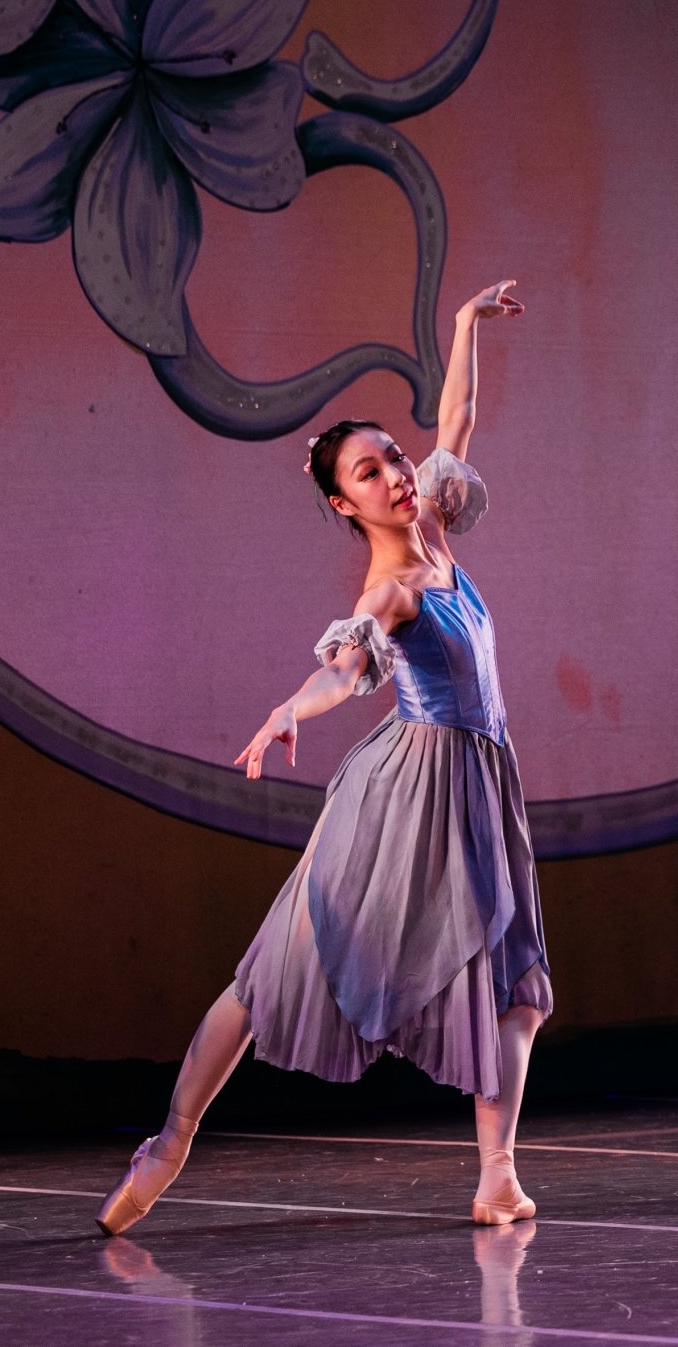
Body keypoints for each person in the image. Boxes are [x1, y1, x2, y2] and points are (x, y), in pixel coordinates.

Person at [97, 282, 552, 1232]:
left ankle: (496, 1175)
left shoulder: (434, 529)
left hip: (478, 787)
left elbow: (457, 417)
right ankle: (170, 1142)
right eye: (371, 470)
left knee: (516, 989)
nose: (396, 473)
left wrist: (464, 326)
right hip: (406, 795)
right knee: (273, 976)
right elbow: (347, 667)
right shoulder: (393, 587)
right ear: (344, 503)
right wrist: (287, 708)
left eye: (393, 456)